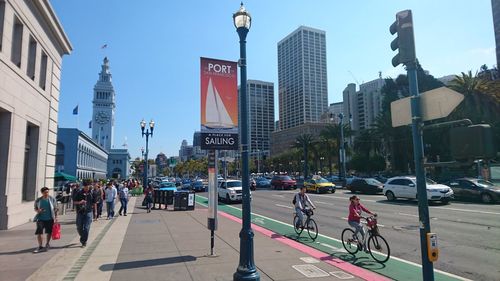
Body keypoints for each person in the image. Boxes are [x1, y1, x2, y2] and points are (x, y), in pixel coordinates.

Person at [33, 187, 58, 253]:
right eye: (45, 192)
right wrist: (38, 210)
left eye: (47, 192)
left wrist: (56, 216)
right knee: (39, 232)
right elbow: (35, 208)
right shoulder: (38, 200)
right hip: (40, 218)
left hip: (50, 218)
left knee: (48, 232)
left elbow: (56, 208)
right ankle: (40, 246)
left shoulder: (52, 199)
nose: (46, 193)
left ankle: (47, 243)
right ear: (42, 193)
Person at [73, 181, 96, 248]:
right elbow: (74, 202)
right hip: (80, 212)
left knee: (86, 228)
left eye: (88, 186)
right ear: (83, 186)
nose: (87, 188)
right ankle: (83, 236)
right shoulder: (79, 193)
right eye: (86, 186)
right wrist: (80, 202)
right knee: (79, 226)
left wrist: (95, 212)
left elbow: (94, 203)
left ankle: (84, 241)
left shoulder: (92, 193)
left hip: (89, 212)